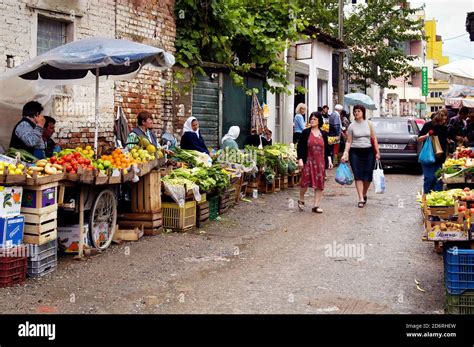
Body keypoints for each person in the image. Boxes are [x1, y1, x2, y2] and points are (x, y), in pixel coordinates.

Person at [341, 104, 380, 208]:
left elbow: (374, 138)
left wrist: (377, 152)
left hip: (368, 151)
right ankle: (361, 199)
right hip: (355, 152)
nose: (356, 113)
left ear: (363, 112)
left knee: (367, 177)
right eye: (355, 111)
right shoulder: (351, 126)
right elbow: (349, 141)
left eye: (358, 111)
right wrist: (345, 153)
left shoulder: (369, 124)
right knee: (358, 175)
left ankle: (364, 193)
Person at [297, 112, 333, 213]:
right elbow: (300, 147)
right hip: (308, 161)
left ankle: (316, 205)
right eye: (311, 119)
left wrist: (329, 160)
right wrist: (300, 159)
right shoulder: (306, 132)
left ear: (319, 121)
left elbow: (327, 148)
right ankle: (301, 198)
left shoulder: (324, 134)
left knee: (319, 183)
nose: (312, 121)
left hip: (320, 162)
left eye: (314, 119)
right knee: (304, 182)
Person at [417, 109, 449, 193]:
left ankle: (436, 199)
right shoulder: (428, 125)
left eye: (446, 119)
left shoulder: (445, 128)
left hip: (440, 158)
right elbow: (419, 139)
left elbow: (445, 141)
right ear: (438, 118)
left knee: (438, 180)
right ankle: (426, 198)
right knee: (429, 178)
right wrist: (427, 136)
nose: (444, 121)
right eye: (443, 119)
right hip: (428, 157)